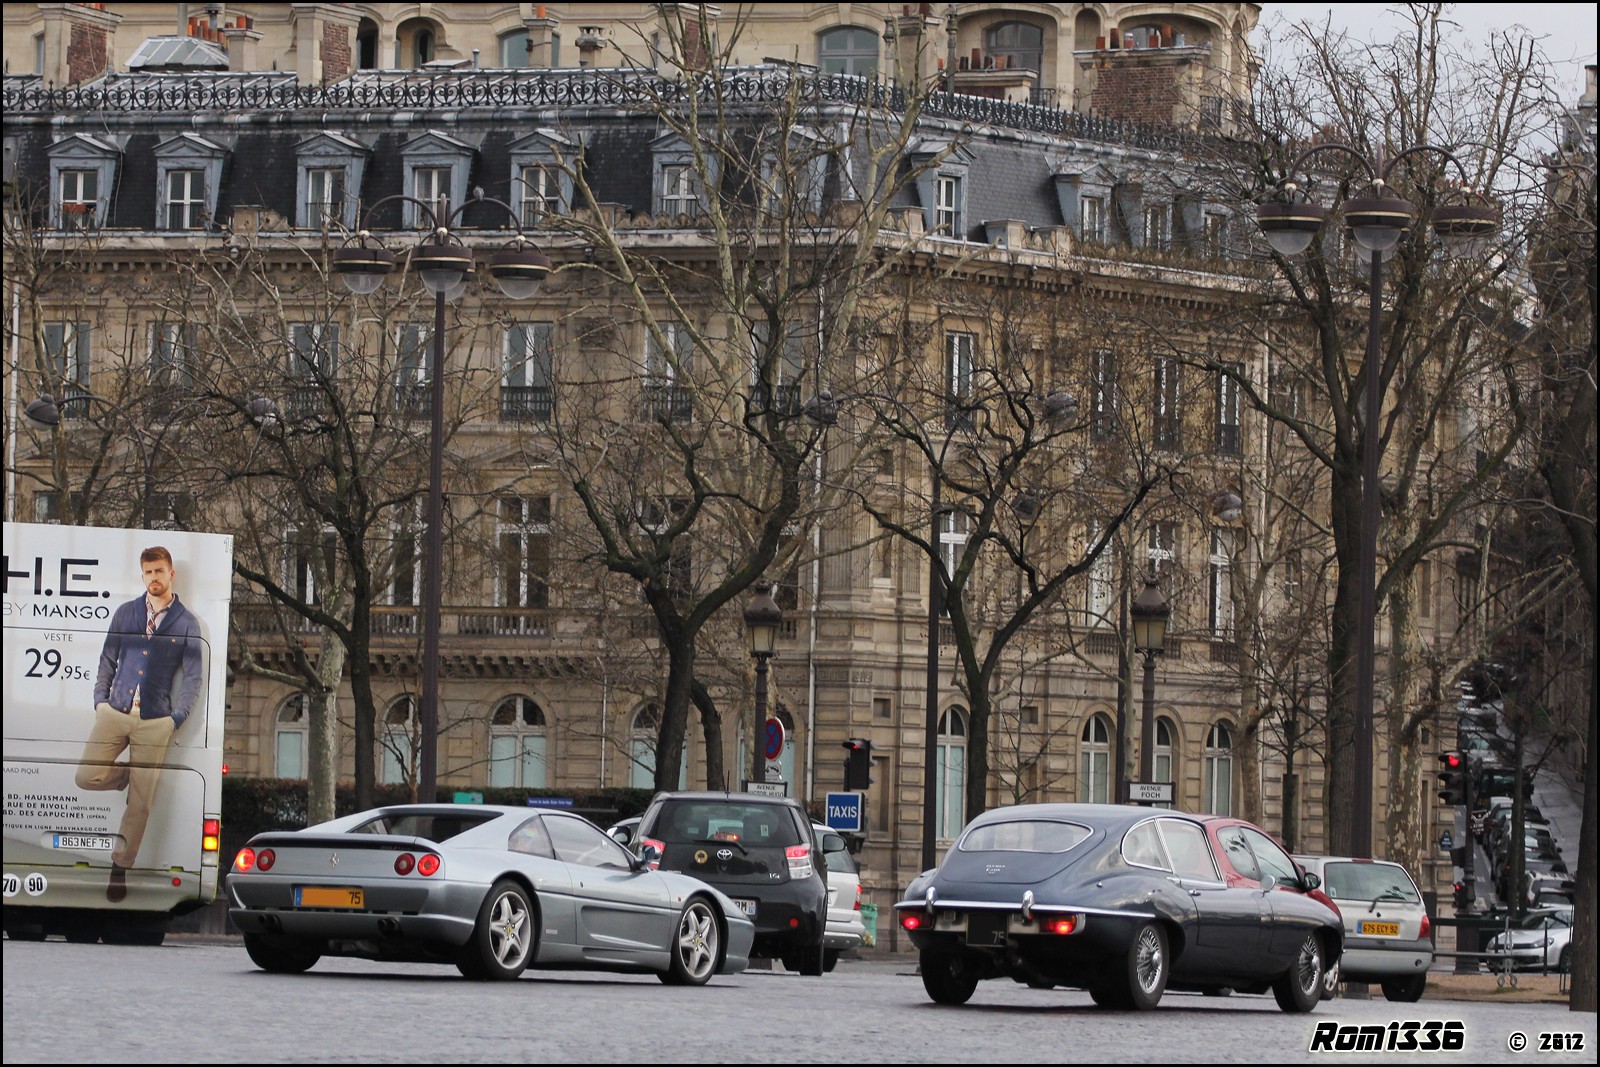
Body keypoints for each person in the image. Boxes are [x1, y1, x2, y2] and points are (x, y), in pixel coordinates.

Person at [77, 546, 204, 902]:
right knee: (86, 776)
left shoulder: (186, 622)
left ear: (171, 573)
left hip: (156, 720)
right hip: (115, 711)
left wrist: (177, 718)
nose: (153, 578)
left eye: (159, 571)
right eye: (148, 572)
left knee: (142, 804)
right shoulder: (126, 614)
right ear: (142, 574)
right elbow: (107, 658)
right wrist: (100, 702)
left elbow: (194, 677)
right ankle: (127, 778)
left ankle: (120, 868)